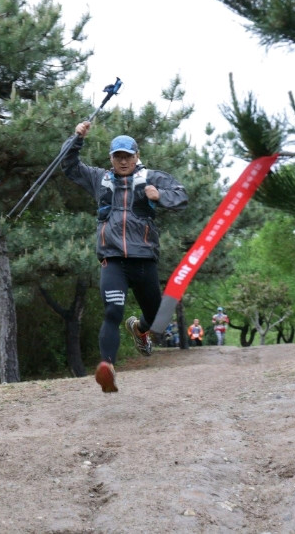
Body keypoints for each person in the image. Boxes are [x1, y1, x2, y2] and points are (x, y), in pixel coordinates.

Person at [61, 121, 188, 393]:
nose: (122, 161)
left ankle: (140, 329)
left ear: (136, 156)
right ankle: (106, 368)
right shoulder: (99, 178)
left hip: (144, 260)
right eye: (118, 156)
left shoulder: (152, 177)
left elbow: (182, 196)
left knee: (157, 319)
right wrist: (76, 138)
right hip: (113, 259)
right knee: (112, 311)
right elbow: (69, 166)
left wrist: (161, 195)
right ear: (111, 158)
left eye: (127, 156)